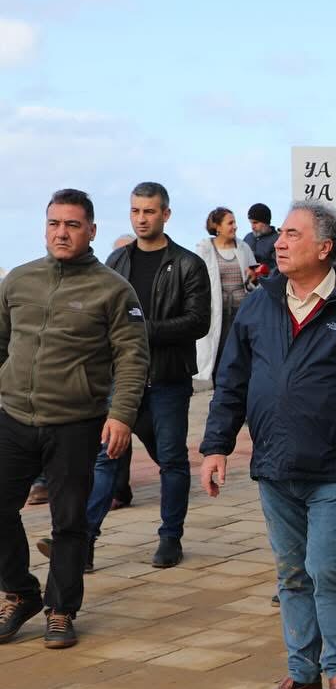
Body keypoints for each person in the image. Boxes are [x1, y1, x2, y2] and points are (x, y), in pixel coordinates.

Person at [200, 200, 336, 689]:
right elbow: (232, 382)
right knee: (291, 574)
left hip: (334, 465)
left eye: (292, 234)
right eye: (281, 234)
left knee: (326, 568)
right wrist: (217, 445)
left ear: (324, 248)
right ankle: (303, 675)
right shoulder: (259, 303)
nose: (280, 242)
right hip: (273, 464)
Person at [0, 189, 149, 649]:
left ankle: (61, 609)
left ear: (91, 231)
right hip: (12, 416)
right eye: (54, 224)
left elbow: (132, 357)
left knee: (68, 522)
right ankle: (20, 593)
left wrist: (121, 415)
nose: (61, 232)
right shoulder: (18, 281)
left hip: (75, 423)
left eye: (71, 224)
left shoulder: (113, 289)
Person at [84, 182, 210, 570]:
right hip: (122, 380)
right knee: (106, 457)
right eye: (136, 211)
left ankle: (170, 538)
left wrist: (142, 330)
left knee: (171, 460)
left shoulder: (188, 263)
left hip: (168, 379)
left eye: (150, 211)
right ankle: (82, 541)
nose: (142, 218)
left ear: (166, 214)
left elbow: (198, 321)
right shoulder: (116, 261)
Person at [195, 207, 259, 383]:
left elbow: (255, 282)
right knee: (220, 357)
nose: (235, 226)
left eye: (235, 222)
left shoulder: (244, 247)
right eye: (230, 223)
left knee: (242, 356)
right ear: (218, 227)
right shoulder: (204, 249)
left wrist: (254, 277)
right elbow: (196, 282)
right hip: (218, 315)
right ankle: (220, 395)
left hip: (242, 313)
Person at [244, 203, 278, 269]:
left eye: (255, 223)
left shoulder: (277, 241)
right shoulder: (248, 238)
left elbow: (279, 269)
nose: (252, 227)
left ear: (266, 222)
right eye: (251, 223)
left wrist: (260, 264)